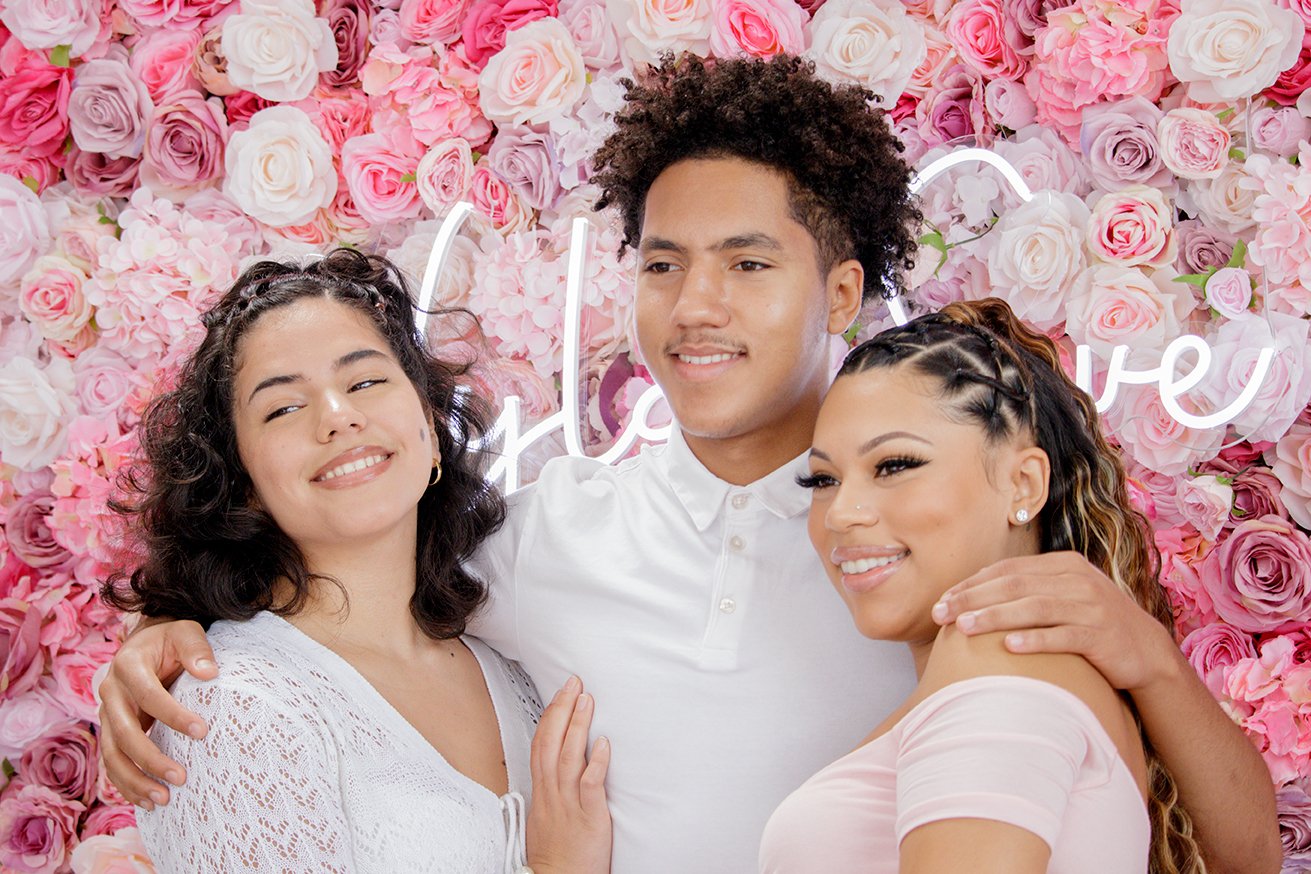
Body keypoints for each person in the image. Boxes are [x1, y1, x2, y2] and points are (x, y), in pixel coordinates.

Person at [97, 55, 1279, 873]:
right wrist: (170, 642)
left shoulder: (922, 545)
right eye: (662, 264)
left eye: (748, 264)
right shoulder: (538, 532)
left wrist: (1148, 656)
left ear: (845, 290)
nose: (695, 307)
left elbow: (1239, 847)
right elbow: (349, 584)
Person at [102, 248, 611, 872]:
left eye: (365, 381)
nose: (339, 418)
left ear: (429, 429)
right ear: (242, 483)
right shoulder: (231, 709)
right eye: (283, 407)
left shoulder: (516, 661)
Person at [759, 298, 1204, 873]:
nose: (841, 513)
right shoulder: (1021, 668)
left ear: (1023, 484)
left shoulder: (996, 658)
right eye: (822, 478)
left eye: (894, 465)